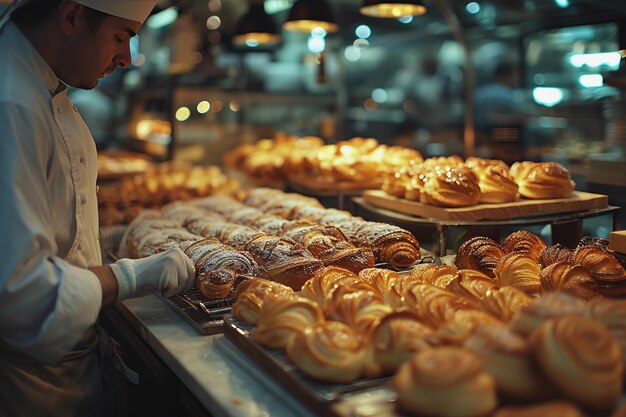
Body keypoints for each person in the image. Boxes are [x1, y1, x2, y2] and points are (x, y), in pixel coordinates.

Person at [0, 1, 195, 416]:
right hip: (29, 389)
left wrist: (107, 239)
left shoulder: (38, 86)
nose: (126, 57)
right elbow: (17, 294)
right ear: (71, 17)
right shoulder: (11, 104)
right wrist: (129, 276)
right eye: (121, 36)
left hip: (62, 373)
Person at [474, 61, 533, 162]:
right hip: (508, 149)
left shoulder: (479, 93)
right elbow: (521, 117)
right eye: (515, 75)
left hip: (481, 145)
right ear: (505, 75)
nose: (517, 79)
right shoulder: (508, 94)